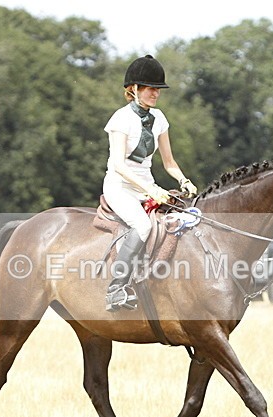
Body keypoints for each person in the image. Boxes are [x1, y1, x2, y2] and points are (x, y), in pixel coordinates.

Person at [103, 54, 197, 312]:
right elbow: (119, 165)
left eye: (158, 89)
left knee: (183, 219)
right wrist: (151, 190)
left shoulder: (160, 119)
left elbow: (169, 162)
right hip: (120, 187)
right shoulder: (121, 120)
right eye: (150, 88)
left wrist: (183, 179)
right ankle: (116, 289)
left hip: (148, 186)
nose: (156, 93)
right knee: (143, 226)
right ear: (133, 89)